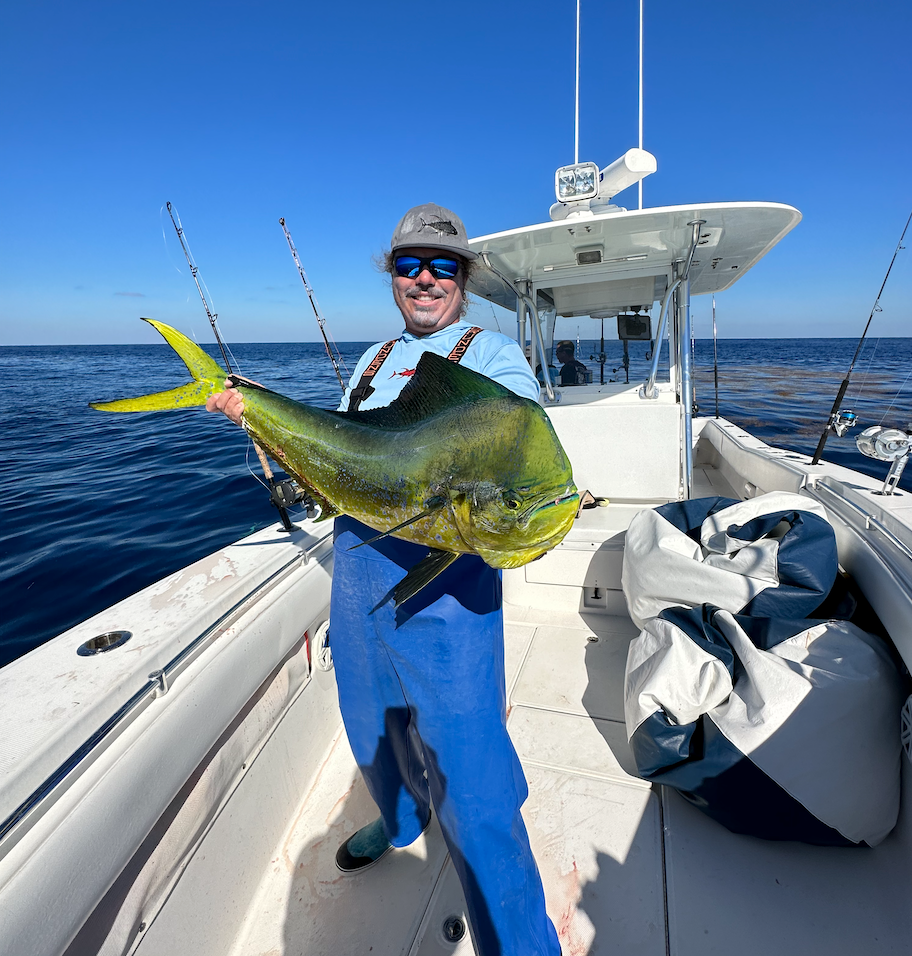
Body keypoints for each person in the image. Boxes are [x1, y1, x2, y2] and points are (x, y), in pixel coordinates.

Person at [206, 203, 560, 956]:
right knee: (372, 721)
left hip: (449, 576)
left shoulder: (493, 357)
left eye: (443, 267)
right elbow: (341, 456)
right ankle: (402, 822)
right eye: (410, 266)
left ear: (464, 280)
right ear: (393, 277)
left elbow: (523, 448)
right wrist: (258, 416)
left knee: (472, 771)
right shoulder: (371, 361)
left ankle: (523, 942)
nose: (426, 280)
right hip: (360, 564)